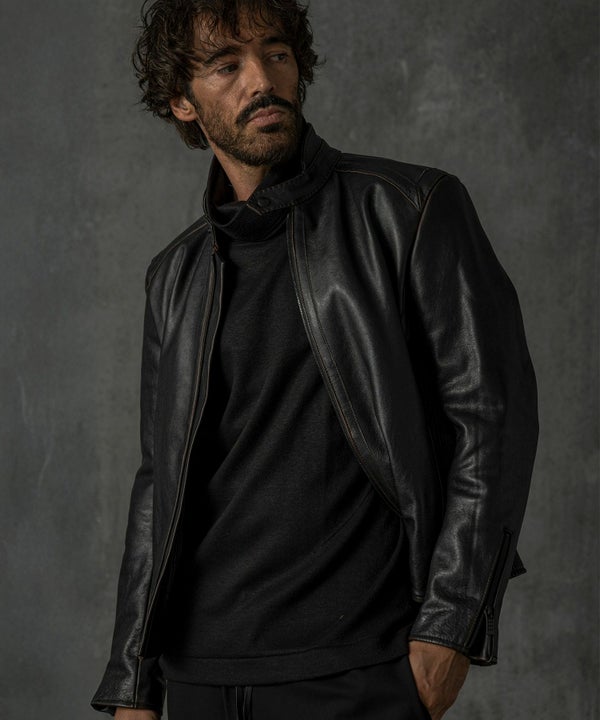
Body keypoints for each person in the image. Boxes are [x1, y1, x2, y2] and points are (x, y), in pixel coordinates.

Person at [91, 1, 538, 718]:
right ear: (181, 100)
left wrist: (449, 630)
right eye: (226, 65)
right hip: (197, 676)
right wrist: (131, 683)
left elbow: (491, 419)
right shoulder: (174, 276)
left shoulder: (409, 210)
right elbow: (158, 484)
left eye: (276, 53)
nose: (261, 80)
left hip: (354, 670)